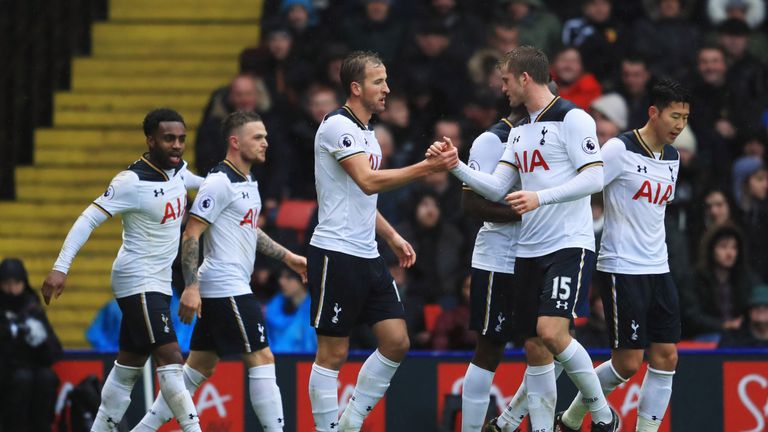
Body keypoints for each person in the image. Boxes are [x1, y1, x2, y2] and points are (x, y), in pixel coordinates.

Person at [432, 45, 617, 431]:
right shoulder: (520, 132)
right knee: (537, 346)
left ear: (525, 77)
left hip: (568, 242)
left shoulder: (574, 118)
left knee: (551, 333)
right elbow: (498, 187)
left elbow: (594, 177)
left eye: (505, 80)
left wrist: (540, 197)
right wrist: (457, 168)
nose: (502, 89)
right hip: (529, 250)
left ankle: (601, 416)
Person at [306, 50, 458, 432]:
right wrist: (427, 168)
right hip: (335, 253)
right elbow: (368, 181)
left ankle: (351, 421)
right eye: (379, 82)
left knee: (396, 341)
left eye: (386, 80)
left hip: (367, 253)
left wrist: (390, 235)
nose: (387, 88)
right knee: (333, 352)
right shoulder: (336, 126)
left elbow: (361, 197)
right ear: (356, 88)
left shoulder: (367, 134)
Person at [132, 111, 307, 431]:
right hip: (226, 286)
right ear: (235, 141)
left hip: (226, 286)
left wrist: (288, 257)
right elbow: (192, 233)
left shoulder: (248, 180)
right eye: (258, 137)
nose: (266, 142)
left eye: (266, 136)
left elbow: (249, 230)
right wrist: (191, 286)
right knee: (263, 358)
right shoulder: (219, 182)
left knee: (199, 367)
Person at [42, 108, 204, 432]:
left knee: (128, 366)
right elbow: (89, 217)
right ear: (150, 140)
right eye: (168, 138)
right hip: (137, 278)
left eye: (181, 139)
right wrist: (61, 268)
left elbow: (200, 183)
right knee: (171, 356)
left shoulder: (179, 172)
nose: (176, 145)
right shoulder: (131, 181)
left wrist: (229, 184)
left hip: (158, 282)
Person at [555, 79, 690, 432]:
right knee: (627, 364)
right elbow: (586, 186)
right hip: (621, 267)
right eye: (674, 116)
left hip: (658, 268)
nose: (679, 125)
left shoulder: (673, 157)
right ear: (653, 112)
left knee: (666, 357)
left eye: (685, 118)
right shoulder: (619, 149)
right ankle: (571, 418)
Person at [457, 105, 523, 430]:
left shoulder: (552, 138)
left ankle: (508, 423)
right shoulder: (491, 140)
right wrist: (526, 213)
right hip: (498, 258)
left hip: (540, 254)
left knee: (554, 342)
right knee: (489, 349)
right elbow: (470, 204)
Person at [0, 258, 61, 432]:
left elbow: (54, 352)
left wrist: (40, 339)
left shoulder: (31, 305)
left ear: (23, 282)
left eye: (16, 283)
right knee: (21, 379)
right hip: (7, 373)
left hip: (33, 369)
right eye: (6, 284)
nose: (12, 290)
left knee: (47, 378)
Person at [719, 284, 768, 348]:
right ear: (749, 312)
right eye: (756, 306)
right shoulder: (733, 336)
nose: (761, 310)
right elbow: (721, 357)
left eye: (766, 306)